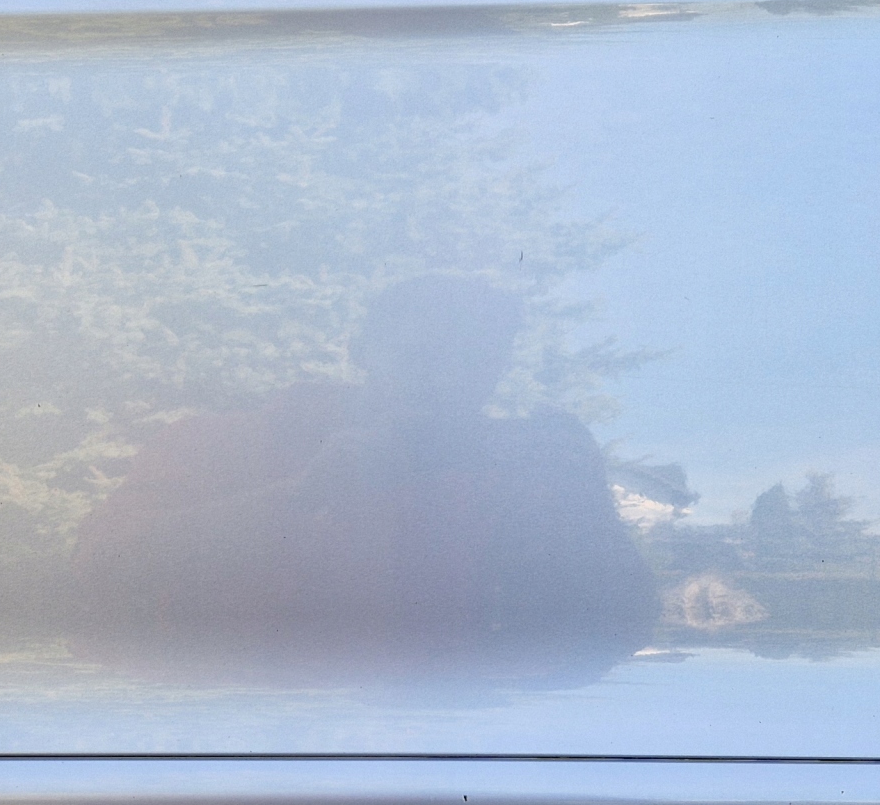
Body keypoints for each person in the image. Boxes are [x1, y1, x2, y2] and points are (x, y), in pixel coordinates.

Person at [72, 274, 658, 667]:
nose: (450, 376)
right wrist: (300, 497)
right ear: (362, 350)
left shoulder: (531, 469)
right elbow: (99, 571)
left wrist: (581, 510)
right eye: (424, 351)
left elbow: (618, 627)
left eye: (478, 356)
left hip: (463, 751)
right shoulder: (221, 444)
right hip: (241, 749)